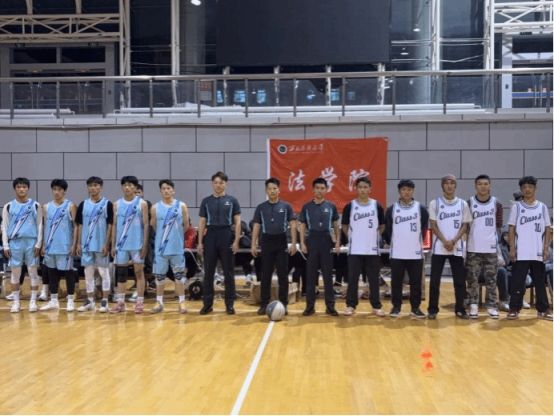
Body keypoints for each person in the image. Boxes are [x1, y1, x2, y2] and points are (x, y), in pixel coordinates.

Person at [507, 176, 552, 320]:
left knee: (539, 282)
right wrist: (512, 248)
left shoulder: (542, 207)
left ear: (535, 189)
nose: (527, 189)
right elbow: (511, 229)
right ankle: (514, 308)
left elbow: (548, 229)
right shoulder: (517, 207)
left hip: (537, 251)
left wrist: (546, 248)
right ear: (521, 189)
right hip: (521, 252)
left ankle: (543, 310)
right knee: (518, 282)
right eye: (524, 187)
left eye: (530, 187)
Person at [427, 174, 472, 319]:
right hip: (439, 247)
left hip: (456, 247)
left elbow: (465, 225)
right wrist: (444, 241)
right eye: (446, 183)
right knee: (435, 281)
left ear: (455, 186)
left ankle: (460, 309)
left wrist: (453, 241)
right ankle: (432, 309)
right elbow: (433, 225)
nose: (449, 185)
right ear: (442, 186)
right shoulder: (435, 203)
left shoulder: (463, 204)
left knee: (459, 281)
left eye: (452, 183)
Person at [251, 177, 297, 315]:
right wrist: (253, 244)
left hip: (281, 241)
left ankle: (284, 304)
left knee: (283, 276)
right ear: (266, 190)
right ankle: (264, 304)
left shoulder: (286, 206)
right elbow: (256, 226)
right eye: (270, 189)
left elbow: (293, 225)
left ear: (279, 190)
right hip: (266, 242)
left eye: (275, 188)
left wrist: (294, 243)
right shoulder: (261, 207)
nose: (272, 191)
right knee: (265, 275)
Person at [197, 171, 241, 315]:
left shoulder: (232, 200)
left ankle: (230, 304)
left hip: (226, 234)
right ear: (212, 184)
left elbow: (238, 222)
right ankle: (207, 304)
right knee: (208, 273)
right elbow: (202, 222)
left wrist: (236, 241)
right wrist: (200, 242)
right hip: (210, 236)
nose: (218, 185)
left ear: (225, 184)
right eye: (215, 182)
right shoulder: (206, 201)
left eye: (221, 183)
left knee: (228, 273)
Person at [384, 179, 428, 318]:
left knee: (415, 283)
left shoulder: (420, 208)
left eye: (409, 189)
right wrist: (393, 242)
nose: (406, 192)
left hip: (415, 252)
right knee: (396, 282)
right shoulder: (392, 209)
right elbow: (387, 230)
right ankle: (396, 307)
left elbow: (424, 228)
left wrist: (416, 242)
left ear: (413, 191)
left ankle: (415, 308)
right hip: (397, 252)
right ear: (399, 191)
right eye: (404, 189)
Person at [342, 176, 385, 317]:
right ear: (356, 189)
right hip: (355, 249)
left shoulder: (376, 205)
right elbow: (344, 225)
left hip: (372, 249)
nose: (362, 190)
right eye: (360, 187)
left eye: (365, 187)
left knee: (373, 280)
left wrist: (374, 236)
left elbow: (382, 225)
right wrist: (352, 237)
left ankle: (376, 306)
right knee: (353, 279)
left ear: (370, 189)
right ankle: (350, 305)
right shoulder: (350, 206)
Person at [299, 177, 340, 316]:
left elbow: (336, 225)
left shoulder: (331, 206)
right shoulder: (306, 207)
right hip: (312, 241)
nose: (320, 190)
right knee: (311, 276)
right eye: (317, 188)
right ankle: (310, 307)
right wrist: (302, 243)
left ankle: (330, 307)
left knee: (328, 277)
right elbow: (302, 226)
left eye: (322, 188)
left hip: (326, 241)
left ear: (326, 190)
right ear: (313, 190)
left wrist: (337, 242)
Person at [465, 174, 504, 319]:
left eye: (486, 184)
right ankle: (473, 305)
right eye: (480, 184)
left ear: (490, 186)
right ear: (475, 186)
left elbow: (498, 226)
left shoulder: (496, 203)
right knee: (472, 279)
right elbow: (466, 226)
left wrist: (496, 247)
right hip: (473, 247)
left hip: (490, 248)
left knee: (491, 279)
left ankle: (492, 306)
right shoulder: (469, 203)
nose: (483, 186)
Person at [1, 177, 42, 313]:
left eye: (24, 187)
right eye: (19, 187)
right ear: (15, 189)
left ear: (28, 188)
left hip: (31, 242)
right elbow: (4, 227)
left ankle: (33, 302)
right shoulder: (8, 206)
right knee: (15, 273)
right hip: (15, 243)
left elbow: (40, 225)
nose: (21, 189)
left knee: (33, 272)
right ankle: (16, 302)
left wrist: (39, 243)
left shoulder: (36, 205)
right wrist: (6, 245)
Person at [110, 176, 150, 314]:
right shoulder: (116, 204)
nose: (127, 188)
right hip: (121, 245)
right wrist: (113, 244)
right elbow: (114, 225)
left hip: (136, 245)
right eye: (125, 185)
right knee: (121, 274)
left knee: (139, 272)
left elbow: (146, 225)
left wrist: (145, 245)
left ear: (135, 187)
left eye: (130, 185)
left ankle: (139, 302)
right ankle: (120, 303)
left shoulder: (142, 204)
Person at [150, 179, 189, 314]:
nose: (166, 191)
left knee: (179, 276)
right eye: (163, 188)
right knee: (160, 277)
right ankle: (159, 302)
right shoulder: (155, 208)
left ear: (173, 190)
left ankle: (182, 302)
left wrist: (175, 236)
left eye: (168, 188)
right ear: (160, 191)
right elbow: (154, 226)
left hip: (177, 248)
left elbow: (186, 225)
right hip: (161, 249)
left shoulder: (181, 206)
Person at [39, 179, 78, 312]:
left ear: (64, 191)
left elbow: (76, 227)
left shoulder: (70, 206)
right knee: (52, 273)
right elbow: (44, 227)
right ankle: (54, 301)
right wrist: (43, 244)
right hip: (50, 246)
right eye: (54, 189)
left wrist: (74, 244)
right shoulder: (46, 207)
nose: (57, 192)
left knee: (68, 273)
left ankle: (70, 300)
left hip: (65, 246)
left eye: (59, 190)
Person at [75, 176, 113, 313]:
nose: (93, 188)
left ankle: (105, 301)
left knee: (104, 273)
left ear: (100, 187)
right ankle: (90, 301)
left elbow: (110, 225)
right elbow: (79, 225)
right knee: (88, 273)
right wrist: (78, 243)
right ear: (88, 187)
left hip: (101, 245)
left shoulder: (107, 204)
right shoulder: (83, 204)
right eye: (91, 185)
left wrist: (107, 243)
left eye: (96, 185)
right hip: (86, 245)